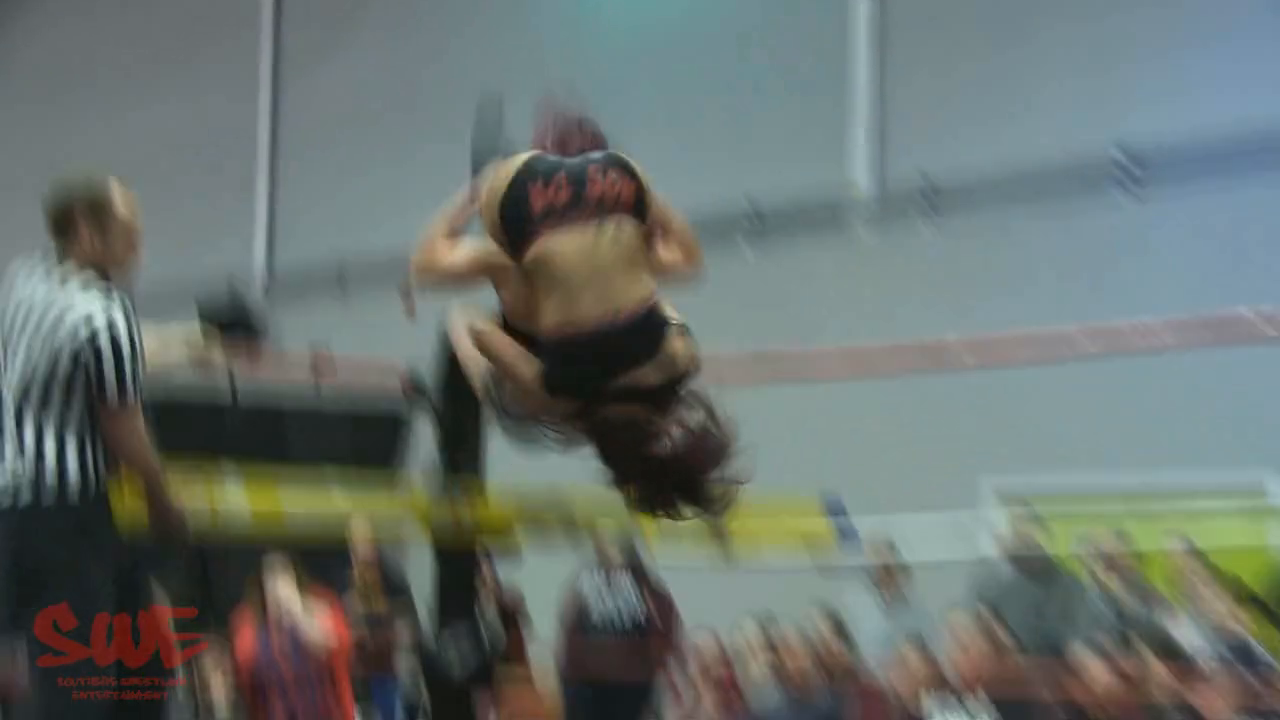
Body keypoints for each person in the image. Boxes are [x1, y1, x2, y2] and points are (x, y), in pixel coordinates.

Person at [417, 101, 741, 521]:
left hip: (617, 183)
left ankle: (580, 196)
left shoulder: (679, 358)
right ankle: (503, 198)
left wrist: (642, 207)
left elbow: (679, 271)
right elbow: (468, 323)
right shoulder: (555, 391)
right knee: (490, 298)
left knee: (653, 271)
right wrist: (477, 193)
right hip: (519, 200)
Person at [0, 175, 187, 720]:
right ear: (84, 229)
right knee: (78, 683)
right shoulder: (104, 314)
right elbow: (122, 424)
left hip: (13, 508)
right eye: (128, 231)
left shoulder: (23, 281)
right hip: (68, 514)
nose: (138, 245)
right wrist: (162, 501)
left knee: (138, 663)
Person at [557, 531, 681, 720]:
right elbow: (568, 634)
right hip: (590, 689)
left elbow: (666, 634)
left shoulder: (646, 588)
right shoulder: (585, 583)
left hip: (630, 688)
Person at [231, 552, 355, 720]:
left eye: (283, 580)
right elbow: (245, 669)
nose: (278, 590)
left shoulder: (321, 606)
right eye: (271, 583)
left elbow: (338, 648)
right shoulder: (251, 623)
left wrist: (300, 618)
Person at [345, 516, 416, 720]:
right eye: (353, 542)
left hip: (391, 672)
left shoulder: (389, 573)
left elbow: (405, 624)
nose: (358, 548)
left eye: (362, 540)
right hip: (364, 674)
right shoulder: (351, 577)